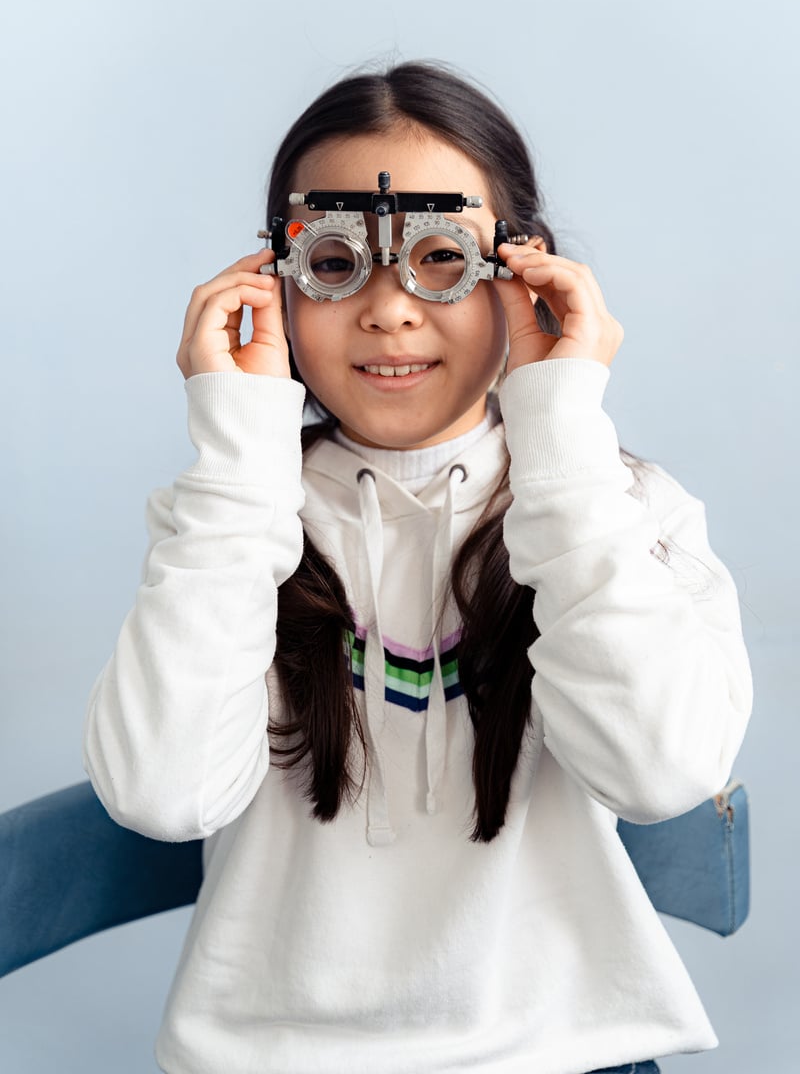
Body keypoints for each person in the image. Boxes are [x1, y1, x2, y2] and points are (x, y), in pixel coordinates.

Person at [83, 61, 752, 1074]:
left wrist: (559, 435)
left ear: (525, 279)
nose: (390, 310)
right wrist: (237, 454)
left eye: (441, 258)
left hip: (564, 1055)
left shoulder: (620, 514)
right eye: (334, 259)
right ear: (272, 280)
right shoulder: (229, 522)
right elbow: (162, 796)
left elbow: (659, 773)